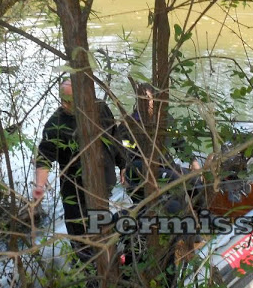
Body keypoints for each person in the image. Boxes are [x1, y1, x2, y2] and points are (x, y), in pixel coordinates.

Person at [32, 79, 126, 264]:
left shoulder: (100, 109)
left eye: (70, 100)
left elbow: (114, 138)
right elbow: (44, 157)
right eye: (62, 99)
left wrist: (123, 164)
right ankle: (86, 268)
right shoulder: (55, 124)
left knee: (98, 223)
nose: (65, 104)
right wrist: (40, 185)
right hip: (74, 189)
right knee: (78, 232)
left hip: (101, 183)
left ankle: (107, 261)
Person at [117, 82, 201, 203]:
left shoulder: (165, 120)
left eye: (147, 99)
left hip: (167, 165)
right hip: (141, 171)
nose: (144, 103)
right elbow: (123, 151)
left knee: (195, 180)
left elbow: (180, 143)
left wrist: (193, 161)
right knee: (176, 184)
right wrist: (123, 168)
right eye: (141, 100)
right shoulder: (128, 124)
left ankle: (197, 213)